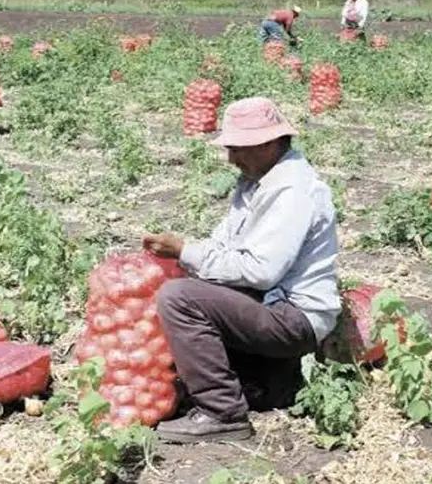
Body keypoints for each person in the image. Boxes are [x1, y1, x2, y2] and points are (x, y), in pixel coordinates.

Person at [142, 97, 341, 444]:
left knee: (179, 298)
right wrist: (188, 257)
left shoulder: (293, 191)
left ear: (268, 144)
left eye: (237, 148)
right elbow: (225, 246)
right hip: (270, 304)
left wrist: (185, 252)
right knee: (192, 288)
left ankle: (223, 414)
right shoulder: (257, 181)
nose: (231, 158)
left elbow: (261, 271)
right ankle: (267, 382)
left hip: (296, 317)